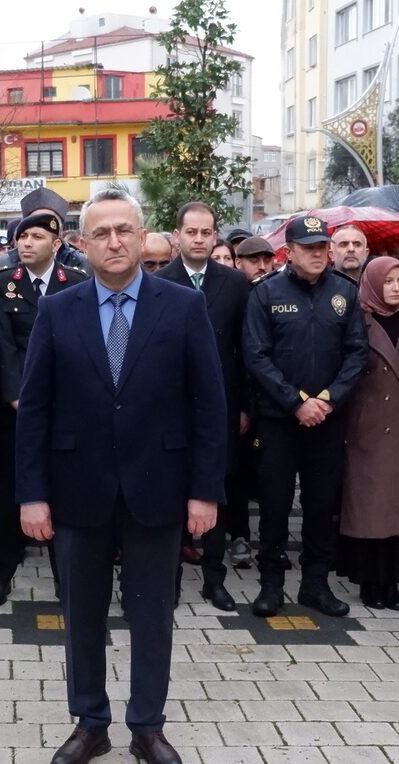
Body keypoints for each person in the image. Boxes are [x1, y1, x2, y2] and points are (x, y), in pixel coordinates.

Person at [16, 189, 226, 764]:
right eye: (101, 232)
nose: (114, 242)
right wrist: (32, 495)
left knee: (153, 613)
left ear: (143, 237)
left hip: (159, 488)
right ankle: (89, 722)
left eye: (124, 231)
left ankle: (147, 725)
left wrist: (204, 491)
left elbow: (208, 406)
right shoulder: (58, 310)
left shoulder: (182, 307)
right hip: (76, 490)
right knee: (81, 613)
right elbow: (34, 409)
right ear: (80, 245)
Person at [243, 216, 367, 619]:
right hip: (280, 421)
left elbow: (357, 353)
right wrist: (296, 402)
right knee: (275, 505)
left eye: (322, 247)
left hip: (328, 421)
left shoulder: (345, 293)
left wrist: (328, 400)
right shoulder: (266, 293)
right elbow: (256, 356)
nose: (318, 254)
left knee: (320, 505)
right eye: (309, 247)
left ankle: (316, 585)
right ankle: (271, 585)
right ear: (289, 251)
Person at [0, 206, 91, 606]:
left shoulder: (76, 281)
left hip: (65, 406)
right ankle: (1, 575)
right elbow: (3, 344)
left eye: (37, 238)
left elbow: (81, 346)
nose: (26, 244)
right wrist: (16, 396)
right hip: (15, 407)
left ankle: (68, 579)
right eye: (22, 238)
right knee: (13, 494)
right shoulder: (1, 281)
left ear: (56, 244)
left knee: (64, 494)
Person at [154, 201, 250, 612]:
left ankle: (215, 579)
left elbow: (247, 351)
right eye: (190, 232)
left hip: (221, 407)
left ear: (215, 237)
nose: (198, 239)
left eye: (205, 232)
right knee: (171, 494)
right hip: (170, 409)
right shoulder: (158, 282)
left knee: (217, 491)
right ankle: (168, 581)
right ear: (177, 236)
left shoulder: (235, 283)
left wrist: (245, 406)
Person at [336, 256, 399, 610]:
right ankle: (371, 581)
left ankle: (392, 581)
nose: (394, 288)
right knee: (370, 509)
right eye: (388, 282)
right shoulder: (357, 318)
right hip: (368, 423)